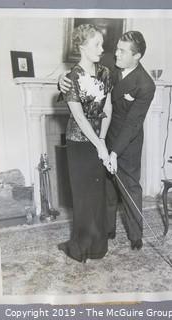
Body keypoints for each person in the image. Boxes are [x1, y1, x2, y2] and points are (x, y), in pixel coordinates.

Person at [58, 30, 155, 251]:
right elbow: (81, 74)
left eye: (122, 51)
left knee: (129, 186)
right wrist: (61, 79)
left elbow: (132, 124)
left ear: (137, 56)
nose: (115, 53)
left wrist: (113, 152)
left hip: (127, 141)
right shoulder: (111, 62)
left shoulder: (146, 84)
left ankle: (135, 235)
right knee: (107, 187)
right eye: (117, 48)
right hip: (102, 134)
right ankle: (107, 229)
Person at [57, 24, 112, 263]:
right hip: (79, 143)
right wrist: (98, 145)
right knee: (82, 196)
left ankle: (98, 248)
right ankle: (80, 247)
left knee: (98, 194)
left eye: (102, 43)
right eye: (97, 44)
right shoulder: (71, 78)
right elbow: (79, 117)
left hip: (97, 139)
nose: (102, 48)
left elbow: (108, 108)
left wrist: (102, 140)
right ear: (82, 46)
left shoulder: (105, 73)